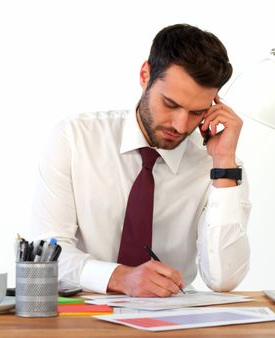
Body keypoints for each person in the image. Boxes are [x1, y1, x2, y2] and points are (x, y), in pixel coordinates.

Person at [29, 23, 251, 297]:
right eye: (170, 104)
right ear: (145, 75)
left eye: (197, 112)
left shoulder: (220, 167)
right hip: (82, 314)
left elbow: (223, 280)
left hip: (173, 319)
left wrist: (224, 163)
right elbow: (45, 254)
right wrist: (120, 278)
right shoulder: (75, 139)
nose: (181, 125)